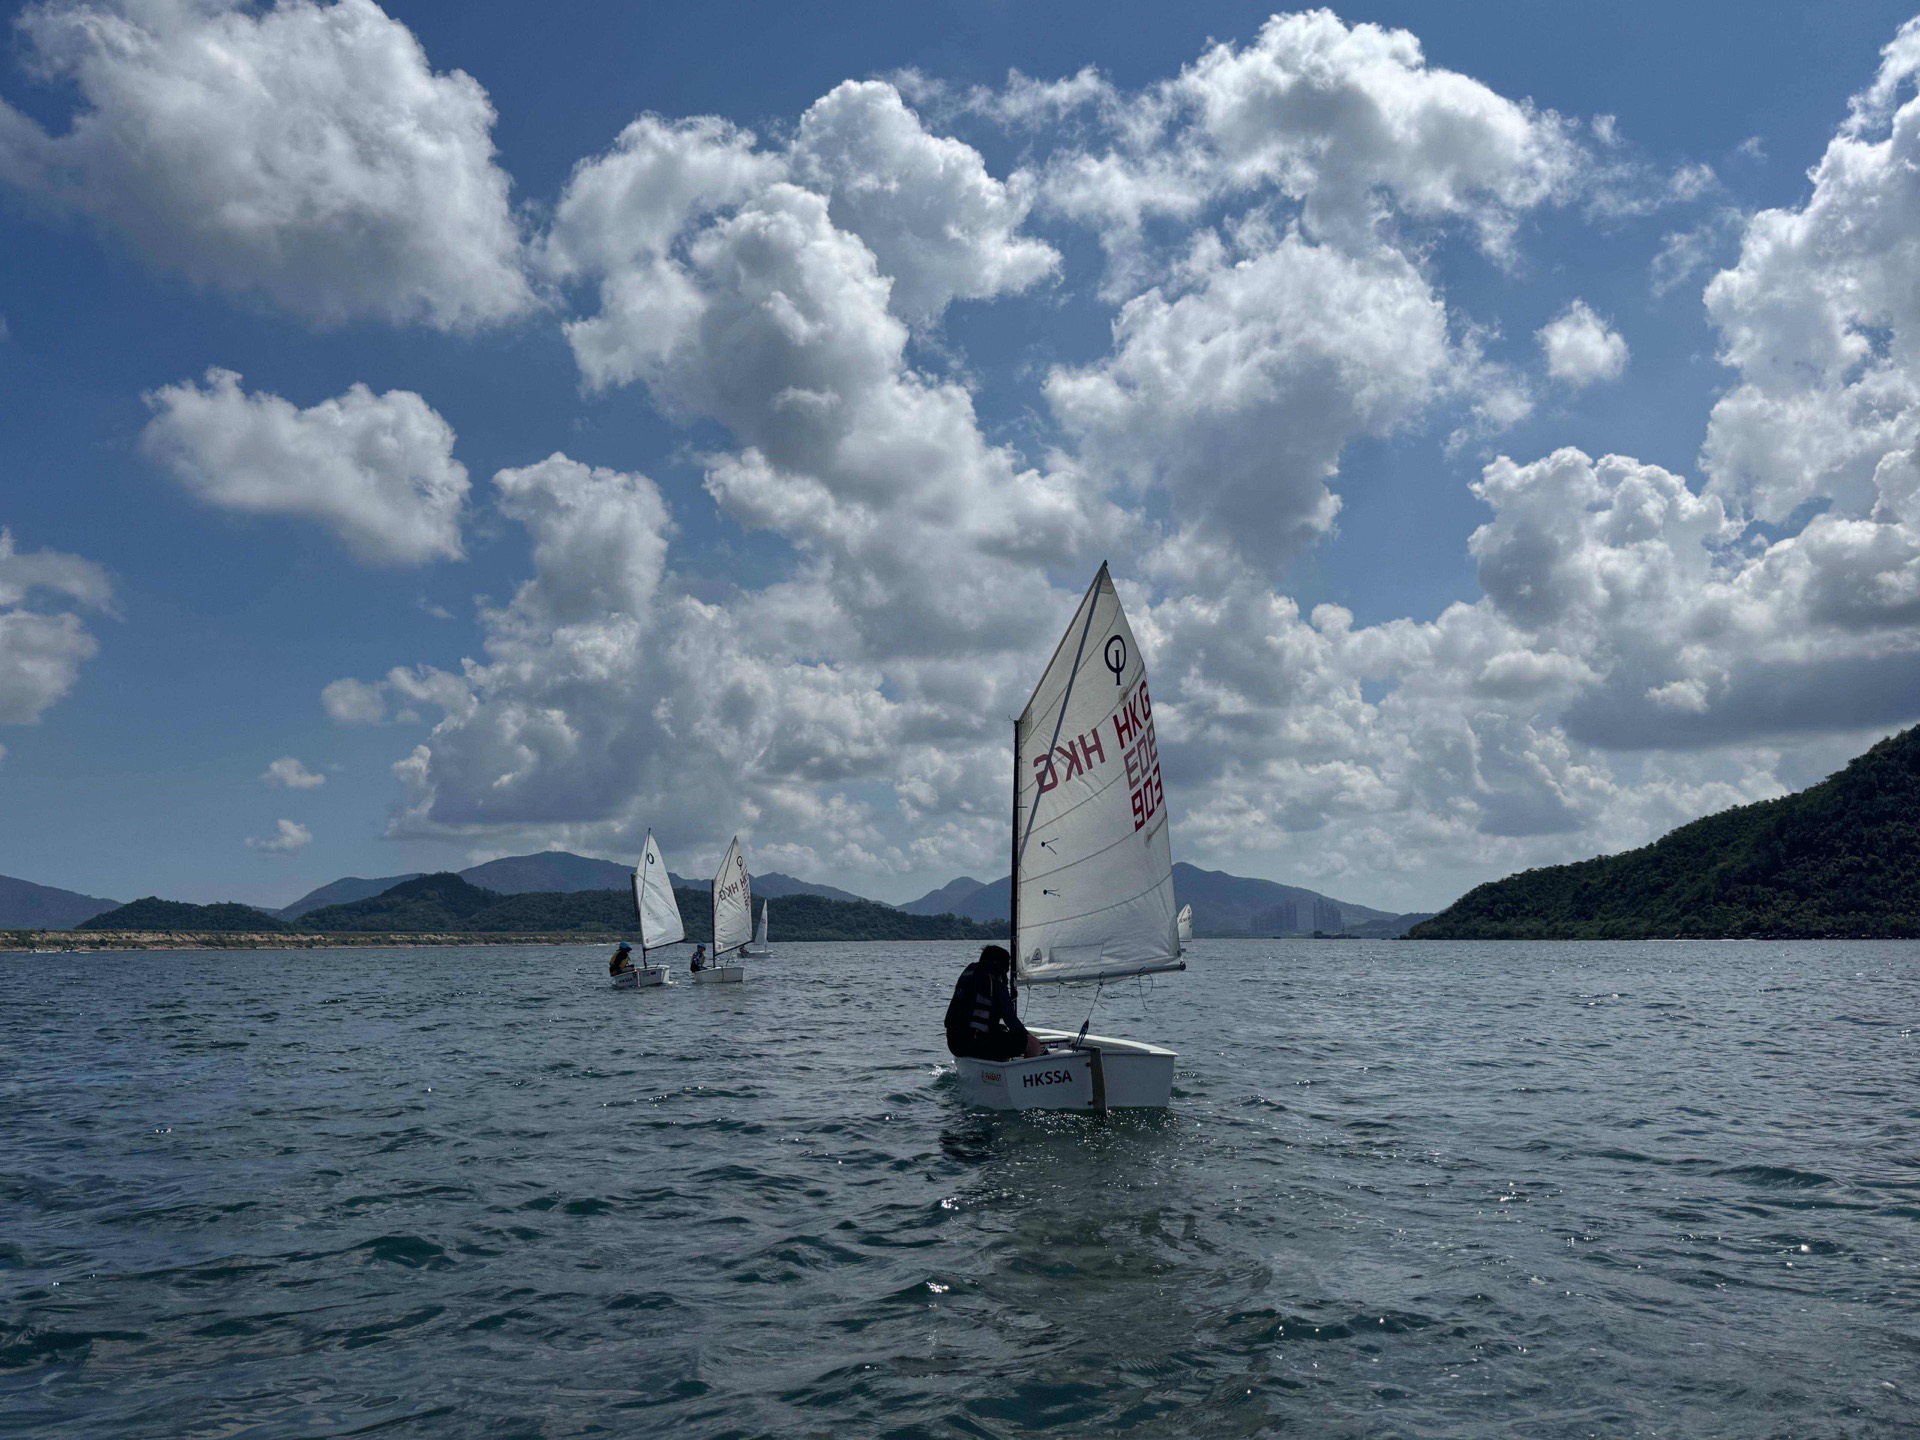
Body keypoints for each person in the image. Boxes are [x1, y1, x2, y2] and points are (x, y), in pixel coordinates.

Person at [944, 945, 1046, 1060]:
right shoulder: (994, 982)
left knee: (1001, 1032)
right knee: (1032, 1043)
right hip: (975, 1044)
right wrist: (1031, 1039)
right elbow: (1011, 1021)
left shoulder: (970, 976)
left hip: (955, 1044)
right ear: (999, 965)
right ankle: (1027, 1074)